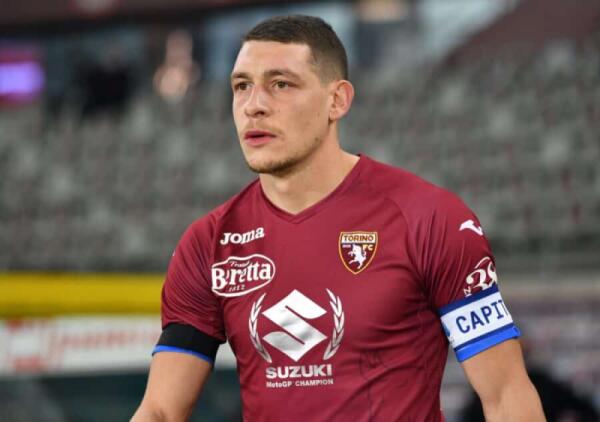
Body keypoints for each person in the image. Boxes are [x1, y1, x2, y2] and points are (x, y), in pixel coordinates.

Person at [132, 15, 545, 421]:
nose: (254, 106)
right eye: (242, 86)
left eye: (281, 84)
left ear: (338, 100)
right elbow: (161, 411)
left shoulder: (430, 219)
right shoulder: (209, 243)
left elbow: (505, 396)